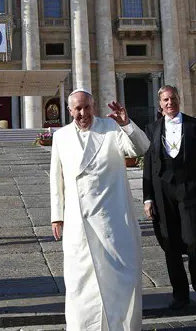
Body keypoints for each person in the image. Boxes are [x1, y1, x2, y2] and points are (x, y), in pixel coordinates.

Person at [50, 89, 149, 330]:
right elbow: (56, 179)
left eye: (86, 107)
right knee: (80, 282)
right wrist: (57, 216)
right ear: (69, 110)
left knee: (119, 278)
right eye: (77, 109)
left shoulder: (111, 128)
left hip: (112, 217)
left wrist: (127, 124)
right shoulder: (61, 136)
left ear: (93, 106)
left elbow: (140, 149)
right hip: (77, 220)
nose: (82, 113)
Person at [142, 85, 196, 311]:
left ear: (179, 99)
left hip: (189, 188)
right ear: (160, 104)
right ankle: (180, 293)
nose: (169, 103)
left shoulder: (195, 126)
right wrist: (148, 198)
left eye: (172, 98)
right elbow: (148, 166)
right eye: (165, 100)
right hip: (162, 191)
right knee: (170, 245)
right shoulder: (151, 128)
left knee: (193, 239)